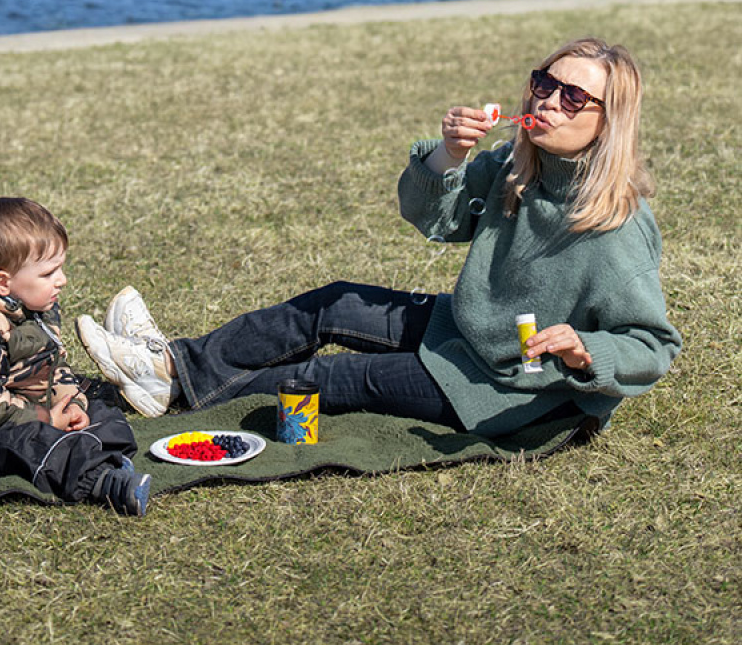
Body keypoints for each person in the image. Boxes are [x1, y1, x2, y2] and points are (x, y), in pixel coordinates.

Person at [75, 39, 682, 438]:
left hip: (505, 381)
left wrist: (586, 351)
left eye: (572, 96)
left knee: (323, 381)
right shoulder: (517, 169)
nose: (548, 100)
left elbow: (653, 346)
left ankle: (175, 391)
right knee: (335, 302)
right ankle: (173, 367)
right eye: (543, 83)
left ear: (610, 120)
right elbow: (430, 217)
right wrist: (449, 154)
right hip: (468, 328)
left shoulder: (615, 226)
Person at [0, 197, 151, 515]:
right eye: (49, 272)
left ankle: (106, 455)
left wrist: (73, 404)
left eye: (61, 268)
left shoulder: (37, 307)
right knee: (31, 444)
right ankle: (104, 483)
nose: (62, 280)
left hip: (26, 407)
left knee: (99, 403)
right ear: (3, 283)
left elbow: (55, 365)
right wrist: (47, 419)